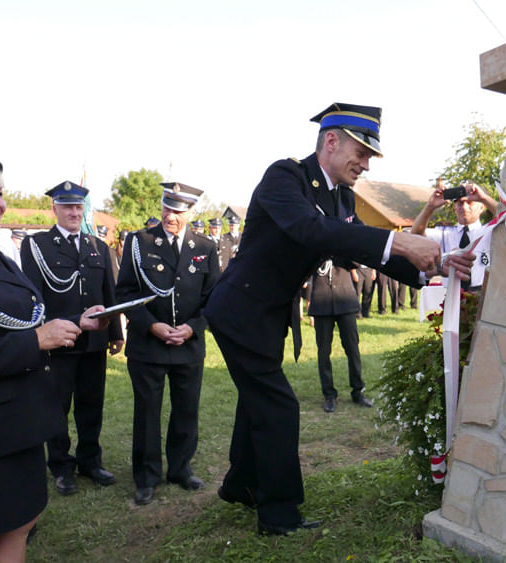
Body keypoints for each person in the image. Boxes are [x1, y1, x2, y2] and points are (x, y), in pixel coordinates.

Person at [203, 102, 473, 535]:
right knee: (278, 407)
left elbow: (356, 249)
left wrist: (435, 266)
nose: (365, 164)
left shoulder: (342, 196)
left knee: (258, 400)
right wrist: (401, 242)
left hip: (268, 314)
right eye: (361, 152)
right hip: (241, 311)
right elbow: (313, 230)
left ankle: (240, 484)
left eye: (369, 156)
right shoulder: (285, 177)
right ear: (331, 141)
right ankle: (279, 514)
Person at [0, 155, 107, 562]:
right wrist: (36, 342)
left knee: (20, 524)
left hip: (17, 425)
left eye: (1, 193)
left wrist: (71, 322)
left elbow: (12, 323)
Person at [115, 182, 220, 506]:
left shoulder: (205, 245)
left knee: (186, 411)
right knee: (147, 413)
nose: (170, 215)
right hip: (149, 346)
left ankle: (180, 468)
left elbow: (214, 298)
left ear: (192, 212)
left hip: (188, 345)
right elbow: (125, 294)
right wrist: (153, 326)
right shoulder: (138, 242)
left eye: (177, 210)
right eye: (166, 208)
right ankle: (146, 477)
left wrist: (192, 328)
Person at [20, 181, 124, 496]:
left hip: (93, 344)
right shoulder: (37, 245)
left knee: (91, 405)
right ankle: (62, 467)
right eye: (67, 207)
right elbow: (33, 297)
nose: (74, 213)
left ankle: (90, 462)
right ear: (55, 209)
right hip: (60, 342)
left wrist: (116, 333)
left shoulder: (97, 246)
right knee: (57, 408)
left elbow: (110, 293)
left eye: (79, 207)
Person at [410, 179, 498, 291]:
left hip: (483, 293)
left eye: (469, 202)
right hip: (451, 293)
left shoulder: (490, 230)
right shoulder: (444, 233)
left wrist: (484, 198)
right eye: (460, 203)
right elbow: (416, 235)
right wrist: (430, 207)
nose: (464, 207)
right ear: (454, 208)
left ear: (482, 207)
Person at [309, 259, 371, 413]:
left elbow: (356, 262)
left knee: (352, 349)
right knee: (323, 351)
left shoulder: (341, 244)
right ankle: (329, 394)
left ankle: (358, 391)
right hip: (322, 302)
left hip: (345, 301)